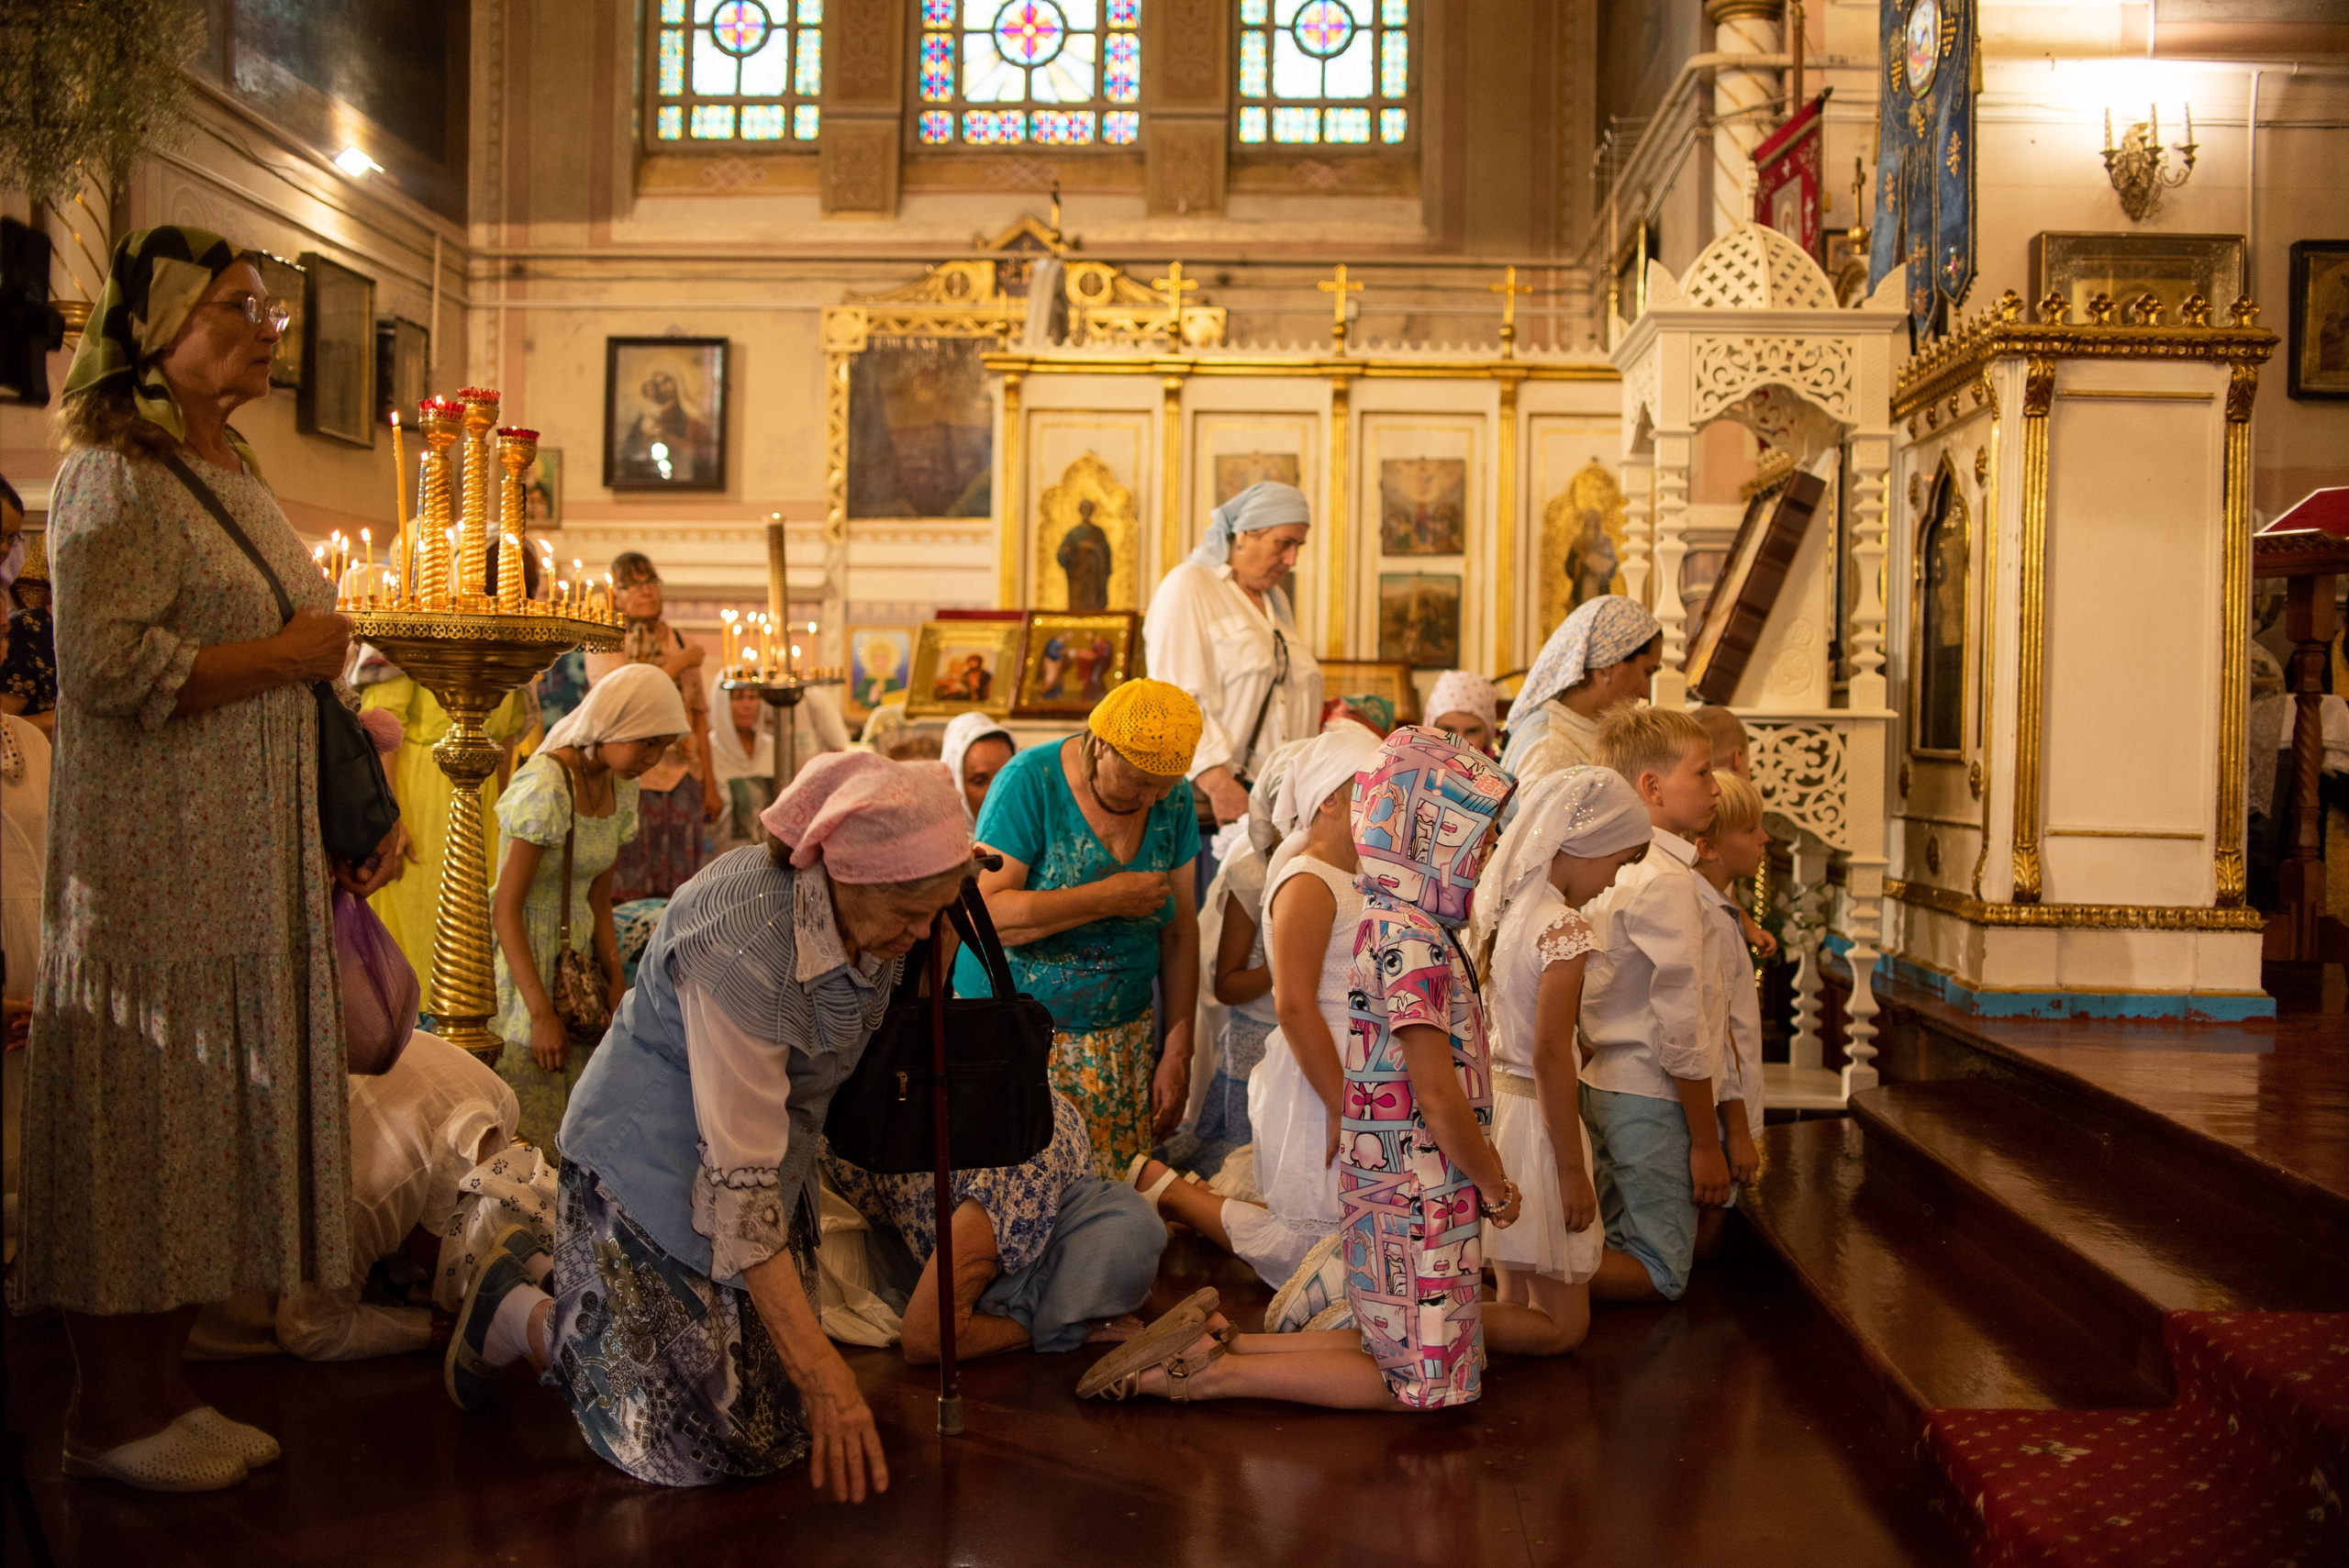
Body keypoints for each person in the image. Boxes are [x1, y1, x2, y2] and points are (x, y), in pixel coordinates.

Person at [15, 226, 401, 1492]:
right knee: (142, 1124)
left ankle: (164, 1390)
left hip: (244, 857)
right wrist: (292, 657)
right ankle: (106, 1412)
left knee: (205, 1127)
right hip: (155, 868)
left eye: (273, 308)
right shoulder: (112, 473)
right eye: (242, 307)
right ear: (167, 322)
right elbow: (110, 667)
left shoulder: (225, 460)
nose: (270, 328)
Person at [442, 752, 976, 1500]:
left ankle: (553, 1275)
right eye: (906, 916)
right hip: (647, 1153)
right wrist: (823, 1369)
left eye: (933, 911)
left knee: (769, 1434)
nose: (921, 933)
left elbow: (769, 1139)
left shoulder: (889, 906)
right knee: (679, 1446)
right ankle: (516, 1306)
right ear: (844, 876)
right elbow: (739, 1177)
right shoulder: (742, 943)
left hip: (761, 1155)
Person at [1075, 728, 1525, 1408]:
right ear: (1425, 830)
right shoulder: (1414, 936)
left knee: (1392, 1336)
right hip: (1422, 1176)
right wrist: (1491, 1182)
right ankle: (1214, 1375)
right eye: (1474, 831)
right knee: (1422, 1377)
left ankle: (1222, 1347)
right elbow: (1434, 1091)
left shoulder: (1394, 914)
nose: (1485, 848)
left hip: (1395, 1166)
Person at [1128, 726, 1383, 1286]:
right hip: (1322, 1074)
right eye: (1373, 788)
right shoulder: (1309, 877)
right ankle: (1172, 1191)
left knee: (1348, 1234)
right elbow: (1294, 1006)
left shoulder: (1359, 873)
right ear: (1330, 800)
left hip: (1356, 1066)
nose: (1386, 801)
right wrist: (1342, 1104)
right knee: (1309, 1242)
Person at [964, 678, 1203, 1178]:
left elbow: (1179, 930)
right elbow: (986, 917)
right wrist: (1106, 898)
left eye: (1166, 785)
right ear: (1100, 746)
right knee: (1034, 1200)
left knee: (1116, 1201)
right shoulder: (1030, 783)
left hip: (1124, 1041)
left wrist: (1180, 1044)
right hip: (1028, 1041)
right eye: (1139, 781)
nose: (1153, 800)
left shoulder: (1171, 798)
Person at [1471, 766, 1653, 1357]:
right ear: (1585, 844)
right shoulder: (1563, 927)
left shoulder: (1504, 908)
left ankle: (1418, 1325)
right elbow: (1550, 1055)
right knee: (1562, 1327)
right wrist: (1572, 1172)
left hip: (1499, 1110)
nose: (1612, 879)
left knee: (1517, 1299)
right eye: (1618, 861)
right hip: (1537, 1121)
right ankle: (1413, 1329)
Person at [490, 663, 688, 1155]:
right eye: (646, 743)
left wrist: (616, 983)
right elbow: (506, 909)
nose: (653, 758)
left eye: (662, 747)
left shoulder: (620, 786)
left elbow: (599, 901)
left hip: (578, 959)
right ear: (613, 725)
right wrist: (539, 1013)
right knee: (528, 1134)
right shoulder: (547, 785)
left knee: (581, 1127)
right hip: (526, 960)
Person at [820, 1089, 1164, 1367]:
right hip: (809, 1147)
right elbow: (926, 1340)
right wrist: (1055, 1325)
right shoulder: (1017, 1196)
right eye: (1084, 1299)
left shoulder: (1070, 1145)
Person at [1578, 703, 1726, 1305]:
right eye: (1703, 773)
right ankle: (1510, 1272)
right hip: (1651, 1093)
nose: (1716, 788)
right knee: (1661, 1269)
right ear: (1652, 786)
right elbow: (1682, 1023)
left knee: (1615, 1235)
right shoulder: (1664, 879)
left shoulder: (1613, 867)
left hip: (1603, 1080)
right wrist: (1705, 1139)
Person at [265, 1032, 533, 1360]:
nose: (434, 1276)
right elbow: (306, 1330)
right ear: (431, 1237)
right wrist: (437, 1329)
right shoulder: (367, 1201)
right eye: (441, 1267)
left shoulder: (502, 1100)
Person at [1143, 481, 1324, 834]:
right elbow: (1175, 698)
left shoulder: (1277, 603)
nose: (1292, 560)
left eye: (1298, 546)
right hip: (1218, 807)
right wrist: (1219, 784)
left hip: (1279, 806)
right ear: (1244, 534)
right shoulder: (1190, 585)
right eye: (1283, 544)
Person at [362, 656, 535, 1013]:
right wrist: (391, 817)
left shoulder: (512, 641)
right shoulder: (416, 626)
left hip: (484, 805)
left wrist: (503, 816)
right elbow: (380, 728)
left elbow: (507, 735)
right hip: (419, 799)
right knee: (421, 933)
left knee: (475, 932)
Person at [590, 551, 716, 901]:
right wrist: (679, 663)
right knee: (629, 880)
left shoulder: (678, 639)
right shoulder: (605, 639)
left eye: (651, 582)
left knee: (682, 888)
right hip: (630, 777)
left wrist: (710, 783)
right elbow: (627, 698)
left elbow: (699, 716)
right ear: (615, 594)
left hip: (682, 776)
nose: (646, 592)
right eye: (633, 585)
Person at [1693, 771, 1768, 1257]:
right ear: (1709, 847)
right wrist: (1737, 1132)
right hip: (1723, 1113)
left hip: (1728, 1107)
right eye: (1750, 830)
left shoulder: (1717, 907)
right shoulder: (1708, 921)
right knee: (1704, 1244)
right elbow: (1717, 1033)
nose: (1764, 839)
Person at [1499, 595, 1663, 784]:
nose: (1646, 693)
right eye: (1647, 672)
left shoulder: (1580, 728)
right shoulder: (1550, 744)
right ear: (1609, 663)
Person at [940, 710, 1017, 825]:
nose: (997, 793)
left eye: (1005, 779)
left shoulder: (1035, 837)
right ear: (955, 783)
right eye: (980, 781)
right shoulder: (933, 841)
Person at [1423, 670, 1499, 756]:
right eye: (1448, 730)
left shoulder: (1501, 768)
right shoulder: (1410, 767)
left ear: (1488, 734)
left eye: (1472, 731)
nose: (1459, 744)